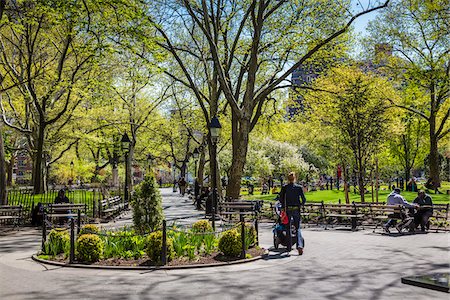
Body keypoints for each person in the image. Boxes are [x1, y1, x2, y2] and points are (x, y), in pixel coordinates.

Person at [279, 172, 306, 255]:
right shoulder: (298, 188)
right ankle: (299, 245)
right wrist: (300, 205)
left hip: (288, 209)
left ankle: (289, 246)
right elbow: (304, 199)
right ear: (295, 178)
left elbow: (281, 199)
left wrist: (283, 208)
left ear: (288, 179)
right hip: (296, 209)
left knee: (288, 228)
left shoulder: (285, 188)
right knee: (297, 228)